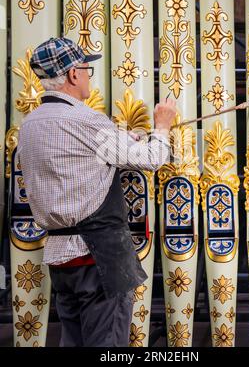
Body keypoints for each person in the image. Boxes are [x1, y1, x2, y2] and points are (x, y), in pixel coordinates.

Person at [16, 37, 177, 347]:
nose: (89, 75)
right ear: (74, 74)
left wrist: (118, 139)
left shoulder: (30, 125)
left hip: (60, 258)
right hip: (98, 257)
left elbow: (74, 160)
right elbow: (154, 159)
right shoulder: (87, 121)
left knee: (73, 342)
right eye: (87, 68)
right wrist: (162, 126)